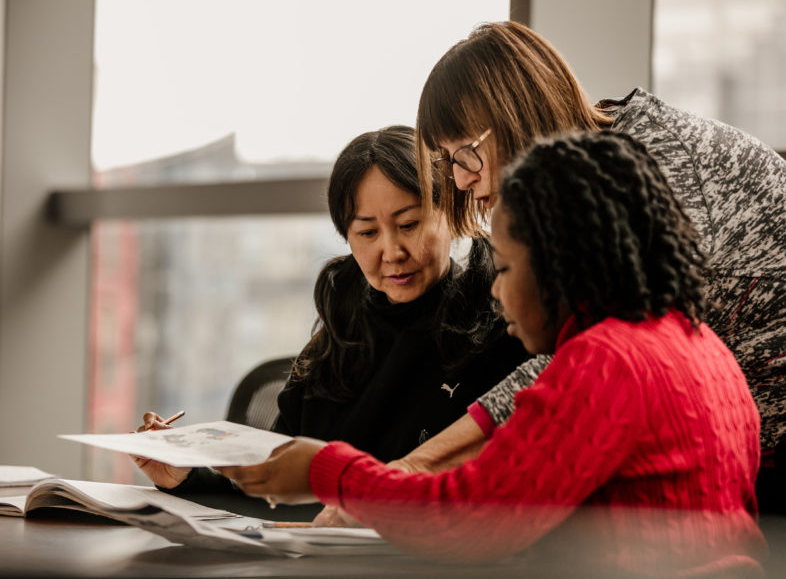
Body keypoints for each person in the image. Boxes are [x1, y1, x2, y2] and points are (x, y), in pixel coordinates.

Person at [219, 131, 767, 577]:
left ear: (557, 264)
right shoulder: (699, 345)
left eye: (504, 268)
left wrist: (326, 469)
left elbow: (469, 518)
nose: (498, 291)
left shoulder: (606, 362)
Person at [385, 21, 785, 514]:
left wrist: (407, 473)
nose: (463, 179)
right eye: (449, 162)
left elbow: (577, 372)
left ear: (516, 116)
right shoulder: (590, 176)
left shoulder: (643, 172)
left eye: (467, 153)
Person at [133, 125, 527, 517]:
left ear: (449, 213)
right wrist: (184, 478)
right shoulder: (340, 330)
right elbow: (271, 495)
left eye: (409, 224)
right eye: (368, 232)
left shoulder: (498, 329)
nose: (391, 251)